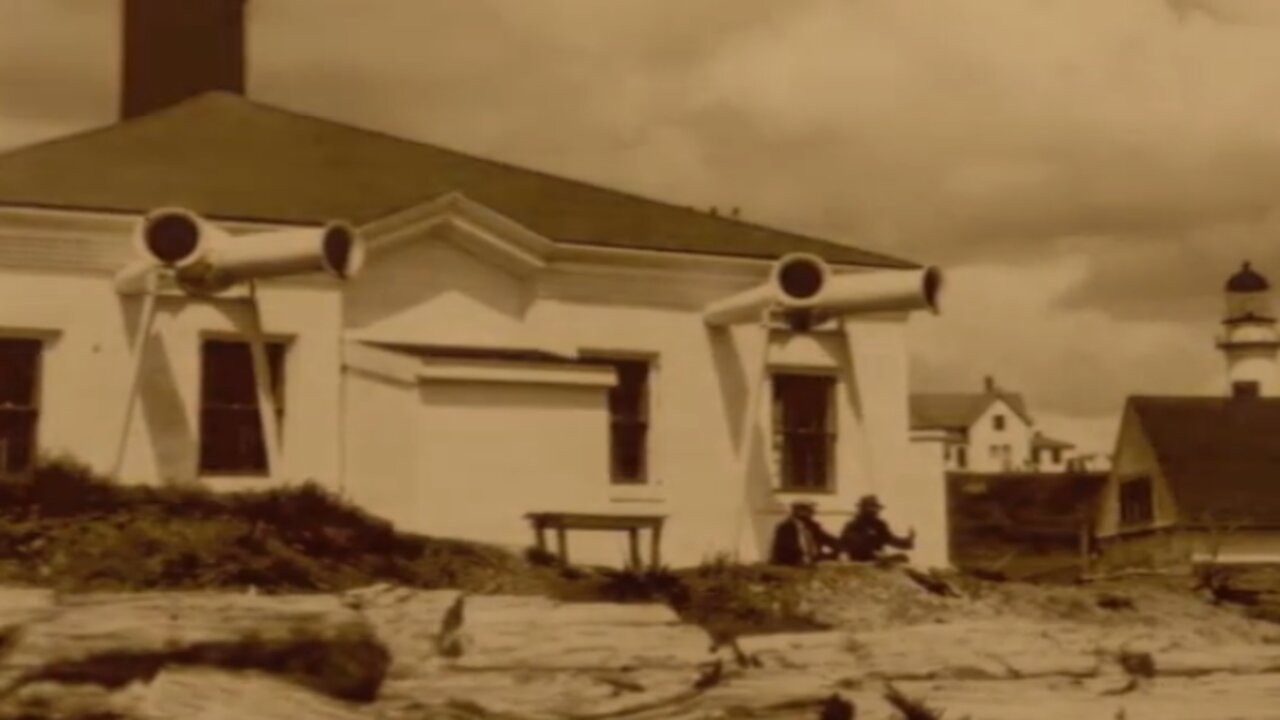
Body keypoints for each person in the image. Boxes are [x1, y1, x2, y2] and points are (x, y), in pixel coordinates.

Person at [840, 494, 915, 564]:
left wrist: (908, 540)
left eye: (875, 508)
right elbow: (850, 545)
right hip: (861, 562)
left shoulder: (879, 525)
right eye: (870, 507)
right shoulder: (853, 525)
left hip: (880, 561)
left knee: (903, 558)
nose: (874, 511)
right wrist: (873, 553)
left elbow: (890, 539)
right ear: (862, 509)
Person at [769, 501, 840, 567]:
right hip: (791, 564)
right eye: (807, 510)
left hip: (812, 561)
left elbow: (828, 539)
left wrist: (842, 548)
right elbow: (786, 549)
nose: (812, 513)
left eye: (811, 510)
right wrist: (802, 557)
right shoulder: (786, 528)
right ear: (797, 511)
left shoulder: (813, 526)